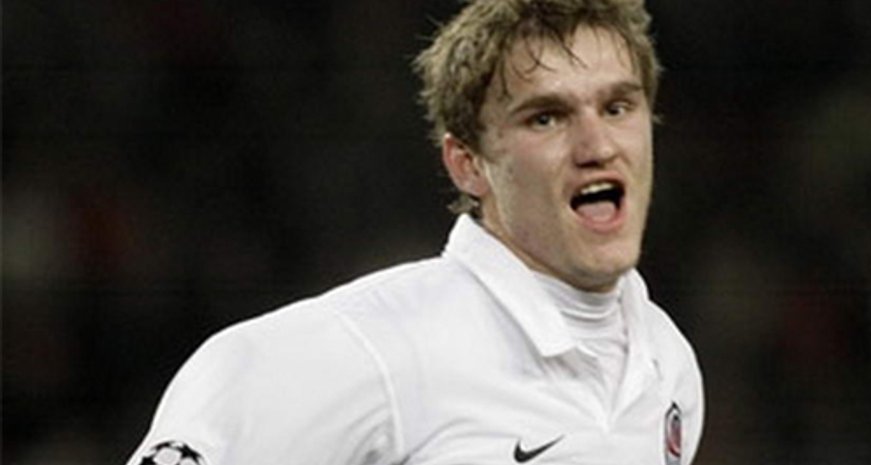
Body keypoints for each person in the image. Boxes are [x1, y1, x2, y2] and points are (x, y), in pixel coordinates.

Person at [125, 0, 704, 464]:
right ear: (467, 163)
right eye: (545, 117)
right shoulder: (374, 346)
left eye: (617, 107)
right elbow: (233, 379)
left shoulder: (668, 365)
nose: (597, 146)